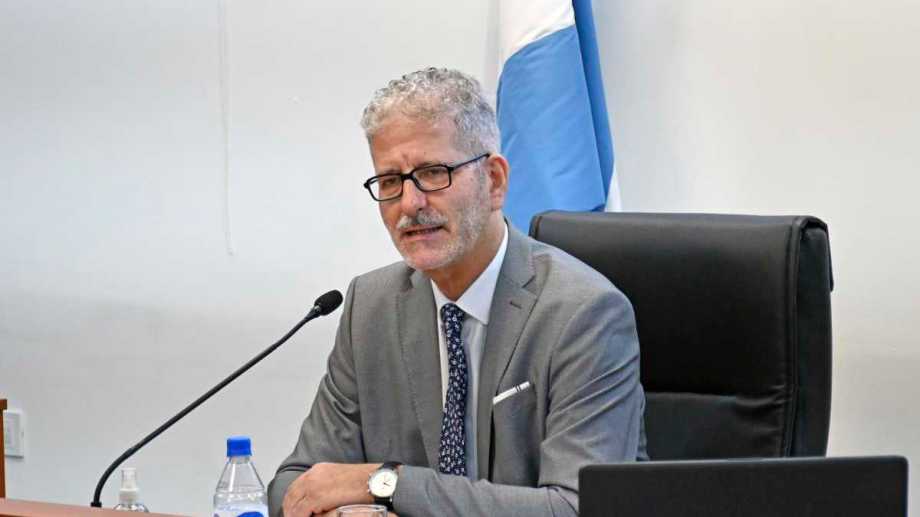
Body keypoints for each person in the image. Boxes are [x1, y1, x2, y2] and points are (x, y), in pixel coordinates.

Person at [268, 67, 646, 517]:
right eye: (390, 181)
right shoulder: (369, 307)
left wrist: (388, 483)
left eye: (433, 173)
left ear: (495, 181)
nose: (410, 204)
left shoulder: (583, 314)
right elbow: (295, 485)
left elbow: (577, 508)